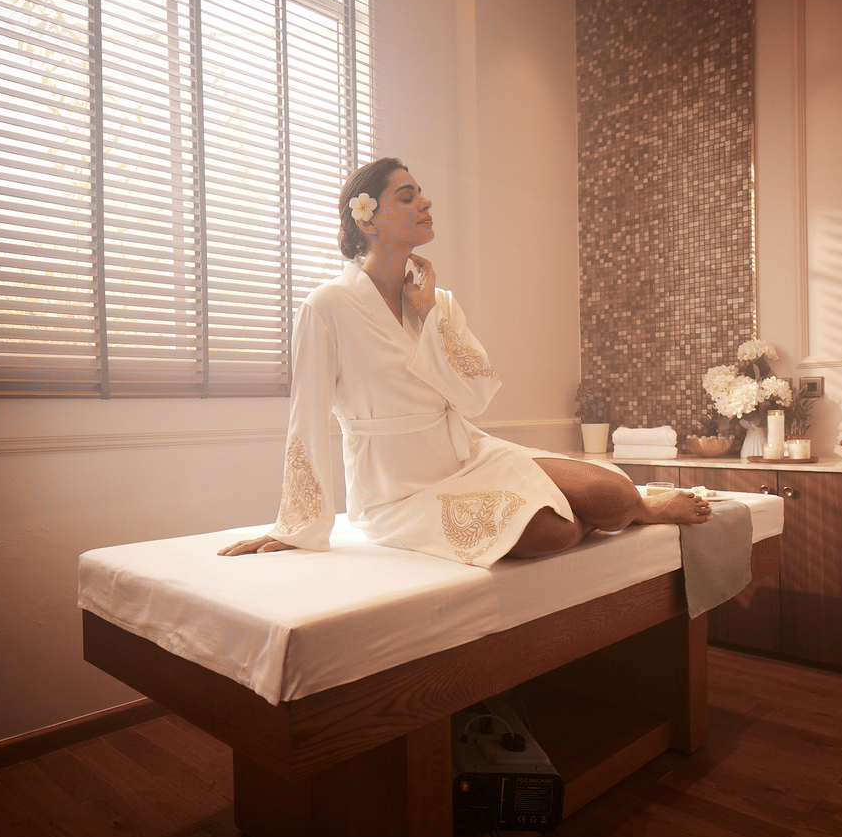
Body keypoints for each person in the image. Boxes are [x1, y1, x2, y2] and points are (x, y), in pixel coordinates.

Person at [219, 157, 711, 565]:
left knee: (614, 494)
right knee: (554, 534)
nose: (426, 202)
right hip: (398, 490)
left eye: (422, 193)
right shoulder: (326, 306)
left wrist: (431, 312)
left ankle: (633, 511)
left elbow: (475, 397)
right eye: (406, 197)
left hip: (468, 452)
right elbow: (305, 416)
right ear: (366, 219)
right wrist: (298, 525)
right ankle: (593, 518)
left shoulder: (439, 301)